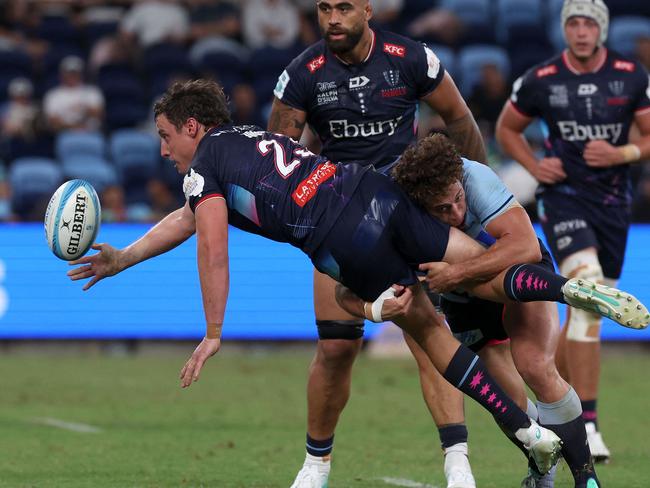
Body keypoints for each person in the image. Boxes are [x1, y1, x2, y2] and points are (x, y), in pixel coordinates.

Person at [68, 80, 648, 486]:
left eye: (167, 135)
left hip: (339, 242)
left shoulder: (202, 169)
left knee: (426, 327)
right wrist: (125, 258)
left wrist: (214, 329)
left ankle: (525, 431)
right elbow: (189, 218)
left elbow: (211, 244)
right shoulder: (243, 139)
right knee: (481, 269)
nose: (164, 149)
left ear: (192, 127)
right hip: (371, 190)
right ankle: (565, 288)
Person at [268, 1, 486, 485]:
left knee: (430, 337)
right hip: (339, 222)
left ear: (367, 8)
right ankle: (315, 465)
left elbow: (460, 119)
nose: (332, 18)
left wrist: (474, 201)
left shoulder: (410, 58)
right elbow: (277, 156)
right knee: (336, 348)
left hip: (407, 219)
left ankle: (458, 464)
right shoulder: (303, 73)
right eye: (324, 7)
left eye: (344, 7)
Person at [387, 134, 599, 487]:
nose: (456, 213)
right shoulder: (402, 210)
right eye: (442, 209)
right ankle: (542, 466)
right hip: (462, 300)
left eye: (457, 200)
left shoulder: (475, 177)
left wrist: (455, 272)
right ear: (420, 204)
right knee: (504, 401)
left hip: (516, 274)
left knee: (535, 365)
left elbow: (526, 246)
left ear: (460, 181)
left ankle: (587, 479)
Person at [495, 0, 650, 463]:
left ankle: (553, 407)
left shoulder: (631, 75)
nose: (581, 32)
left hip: (613, 205)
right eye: (573, 23)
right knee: (590, 293)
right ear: (565, 29)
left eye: (589, 24)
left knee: (584, 310)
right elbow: (507, 129)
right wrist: (534, 164)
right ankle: (588, 423)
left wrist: (622, 155)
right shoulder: (542, 79)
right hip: (562, 199)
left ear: (601, 30)